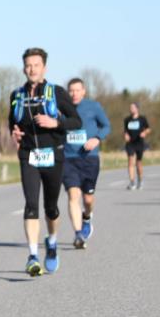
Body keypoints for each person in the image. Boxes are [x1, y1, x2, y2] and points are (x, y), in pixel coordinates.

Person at [9, 48, 81, 276]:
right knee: (31, 204)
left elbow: (76, 121)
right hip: (28, 155)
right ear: (24, 68)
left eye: (36, 65)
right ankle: (32, 255)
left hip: (53, 154)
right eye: (28, 65)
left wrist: (55, 124)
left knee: (51, 208)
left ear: (44, 68)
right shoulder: (16, 96)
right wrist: (14, 133)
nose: (32, 69)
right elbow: (12, 123)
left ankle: (51, 241)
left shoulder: (57, 93)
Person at [62, 77, 110, 249]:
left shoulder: (93, 107)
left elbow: (106, 126)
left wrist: (97, 139)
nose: (74, 94)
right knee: (73, 196)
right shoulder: (62, 108)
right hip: (68, 158)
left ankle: (87, 217)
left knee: (88, 199)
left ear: (83, 91)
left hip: (89, 159)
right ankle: (78, 234)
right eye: (71, 90)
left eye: (77, 90)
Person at [123, 103, 151, 189]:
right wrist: (125, 135)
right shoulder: (127, 120)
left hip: (139, 142)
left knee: (138, 163)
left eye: (133, 107)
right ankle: (132, 182)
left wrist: (144, 133)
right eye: (130, 107)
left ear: (137, 109)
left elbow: (148, 129)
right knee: (130, 161)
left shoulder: (142, 119)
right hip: (130, 143)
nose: (131, 109)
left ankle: (140, 180)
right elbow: (125, 131)